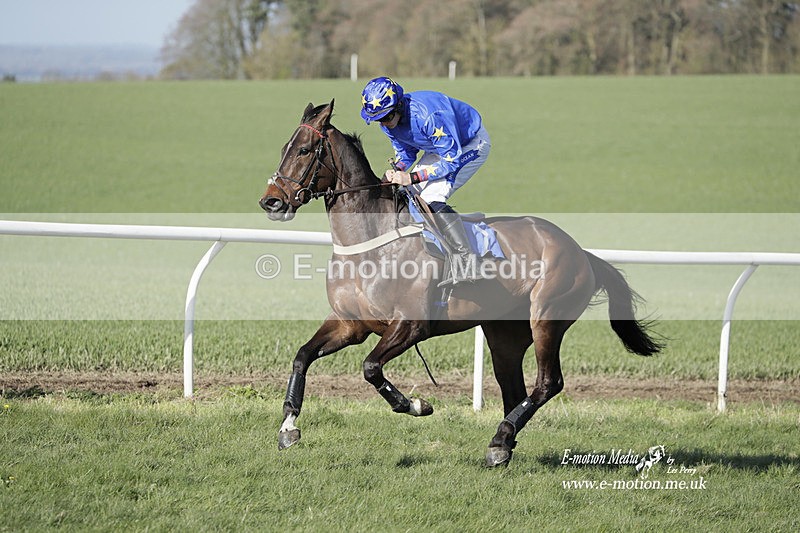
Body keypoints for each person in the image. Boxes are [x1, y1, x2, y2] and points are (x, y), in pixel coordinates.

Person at [360, 76, 491, 284]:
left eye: (385, 117)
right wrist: (397, 171)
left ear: (398, 106)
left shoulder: (430, 116)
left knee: (430, 198)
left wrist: (411, 177)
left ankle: (468, 261)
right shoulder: (388, 123)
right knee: (408, 195)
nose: (383, 123)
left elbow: (451, 160)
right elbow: (406, 155)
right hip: (439, 149)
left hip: (469, 145)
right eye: (378, 119)